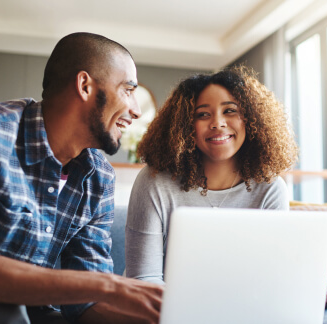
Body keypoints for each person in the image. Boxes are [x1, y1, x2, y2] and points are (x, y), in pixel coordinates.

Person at [0, 32, 163, 324]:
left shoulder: (99, 178)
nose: (136, 110)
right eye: (128, 90)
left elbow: (86, 304)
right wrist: (113, 286)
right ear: (85, 86)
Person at [125, 65, 299, 285]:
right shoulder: (154, 182)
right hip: (162, 310)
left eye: (230, 110)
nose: (217, 123)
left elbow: (271, 278)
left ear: (251, 119)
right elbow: (144, 278)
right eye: (203, 114)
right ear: (185, 126)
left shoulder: (270, 189)